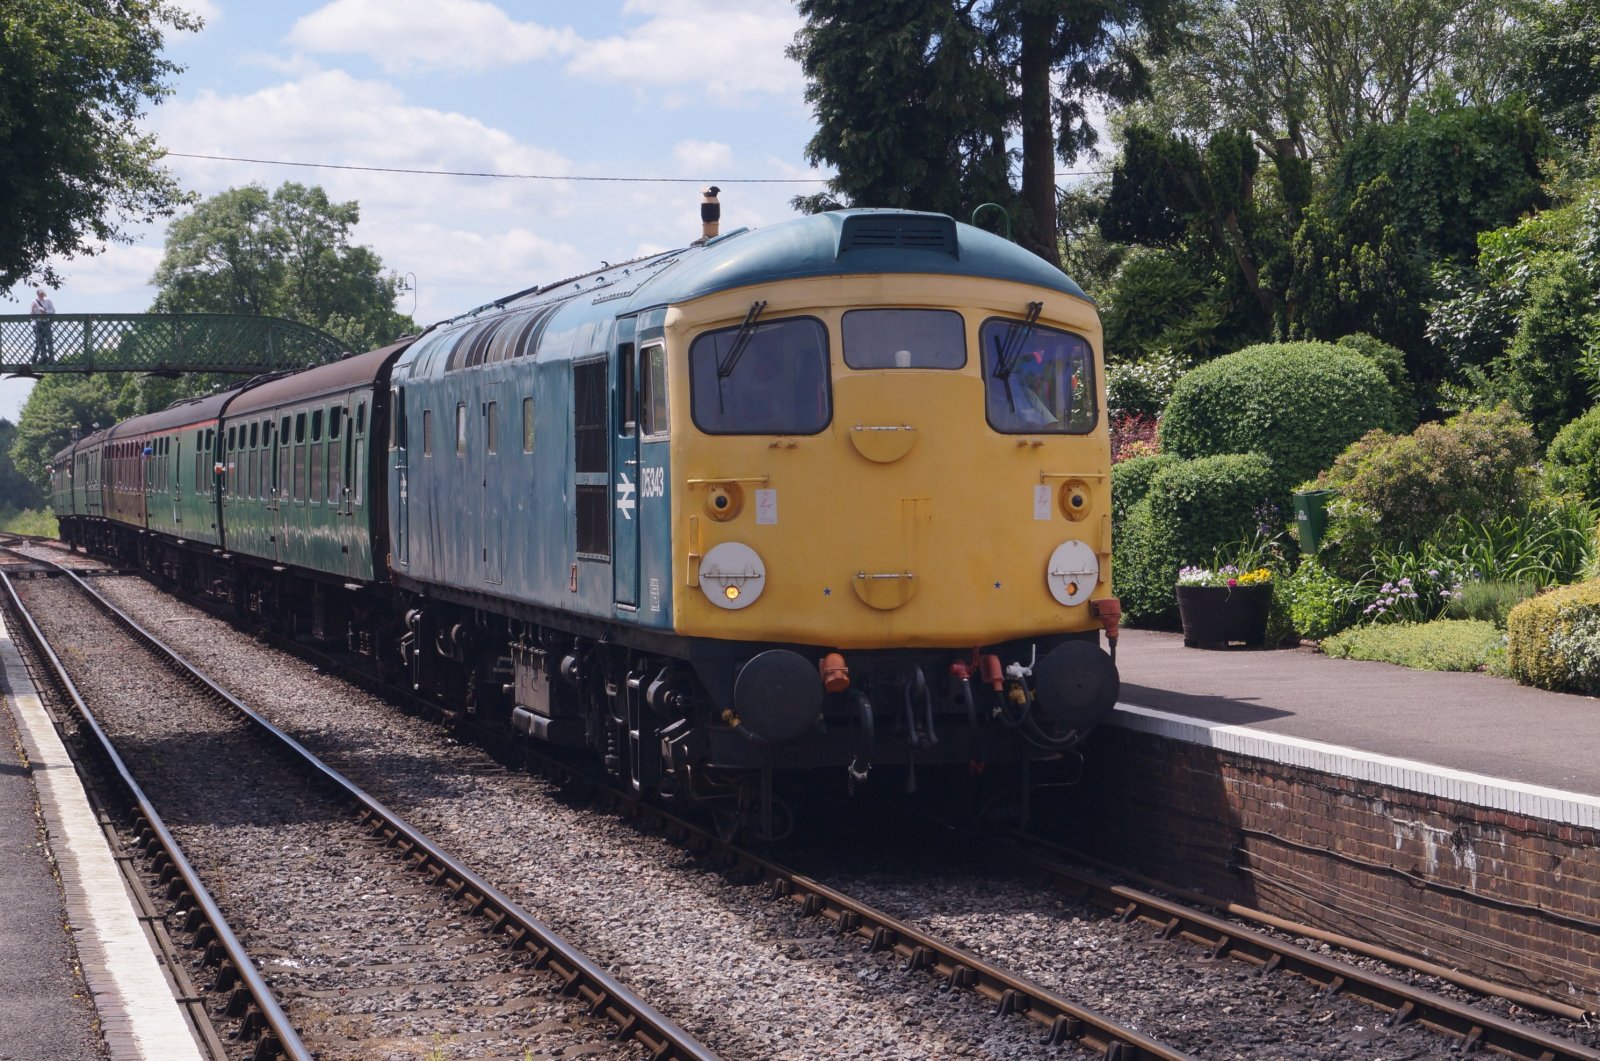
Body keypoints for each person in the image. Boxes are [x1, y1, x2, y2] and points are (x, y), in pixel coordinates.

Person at [30, 288, 55, 362]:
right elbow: (31, 315)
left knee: (49, 341)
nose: (41, 295)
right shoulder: (34, 301)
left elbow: (53, 311)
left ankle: (51, 359)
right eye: (40, 293)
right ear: (37, 294)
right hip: (37, 323)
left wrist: (45, 311)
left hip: (46, 322)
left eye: (42, 293)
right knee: (40, 342)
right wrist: (32, 309)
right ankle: (43, 358)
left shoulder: (48, 300)